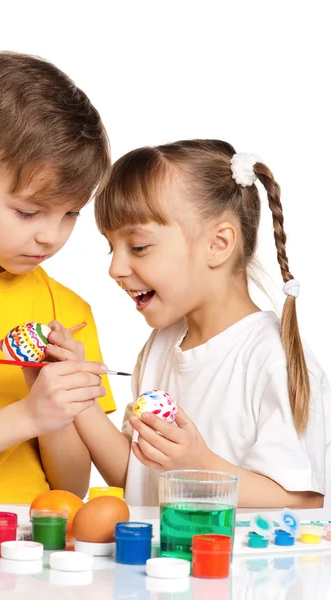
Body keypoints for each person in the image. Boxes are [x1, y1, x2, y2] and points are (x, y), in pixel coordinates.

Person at [58, 139, 330, 507]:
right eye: (112, 247)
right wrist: (78, 397)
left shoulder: (271, 360)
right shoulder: (159, 347)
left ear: (218, 244)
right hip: (159, 565)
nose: (115, 269)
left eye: (137, 247)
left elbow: (302, 503)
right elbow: (134, 476)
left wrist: (199, 466)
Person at [0, 51, 115, 503]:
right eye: (28, 211)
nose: (50, 236)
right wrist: (27, 416)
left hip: (30, 552)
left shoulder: (67, 314)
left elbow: (70, 488)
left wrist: (55, 409)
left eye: (70, 213)